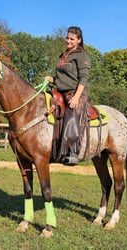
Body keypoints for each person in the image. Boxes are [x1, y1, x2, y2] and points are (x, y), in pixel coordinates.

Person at [45, 26, 91, 166]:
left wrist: (77, 97)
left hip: (76, 93)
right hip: (61, 92)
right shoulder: (63, 55)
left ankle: (72, 151)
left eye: (72, 39)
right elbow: (62, 78)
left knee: (71, 111)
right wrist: (52, 79)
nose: (68, 41)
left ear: (79, 40)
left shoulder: (82, 55)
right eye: (67, 38)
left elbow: (83, 78)